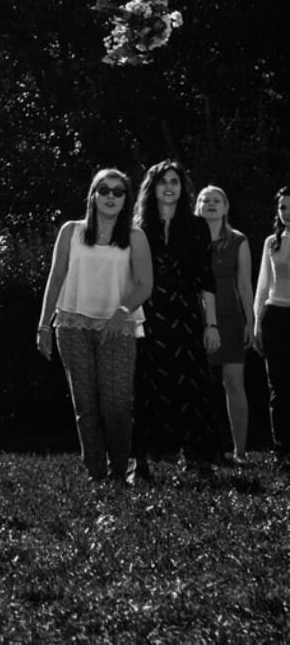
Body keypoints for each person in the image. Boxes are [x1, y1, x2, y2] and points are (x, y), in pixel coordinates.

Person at [36, 169, 152, 483]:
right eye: (104, 190)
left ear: (126, 199)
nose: (111, 196)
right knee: (85, 404)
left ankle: (119, 470)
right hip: (72, 325)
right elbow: (56, 277)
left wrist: (120, 314)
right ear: (93, 195)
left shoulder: (135, 235)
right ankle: (96, 475)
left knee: (115, 403)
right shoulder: (71, 231)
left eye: (118, 191)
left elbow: (144, 284)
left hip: (119, 327)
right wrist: (44, 325)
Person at [131, 159, 219, 481]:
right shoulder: (139, 228)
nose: (169, 186)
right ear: (152, 188)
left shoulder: (196, 227)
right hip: (149, 313)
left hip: (185, 315)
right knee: (145, 384)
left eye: (175, 181)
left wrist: (211, 325)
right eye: (163, 181)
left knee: (193, 385)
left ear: (182, 189)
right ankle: (139, 462)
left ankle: (197, 458)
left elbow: (206, 279)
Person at [196, 185, 252, 463]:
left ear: (226, 207)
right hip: (197, 319)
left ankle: (239, 452)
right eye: (205, 199)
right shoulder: (190, 239)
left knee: (233, 382)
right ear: (197, 206)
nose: (211, 204)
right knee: (199, 386)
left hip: (231, 318)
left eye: (217, 200)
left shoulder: (238, 240)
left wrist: (250, 321)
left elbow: (244, 283)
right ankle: (200, 450)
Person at [251, 186, 290, 471]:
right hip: (275, 317)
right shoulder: (271, 243)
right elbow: (263, 285)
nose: (287, 213)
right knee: (278, 386)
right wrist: (257, 322)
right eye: (283, 208)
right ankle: (282, 452)